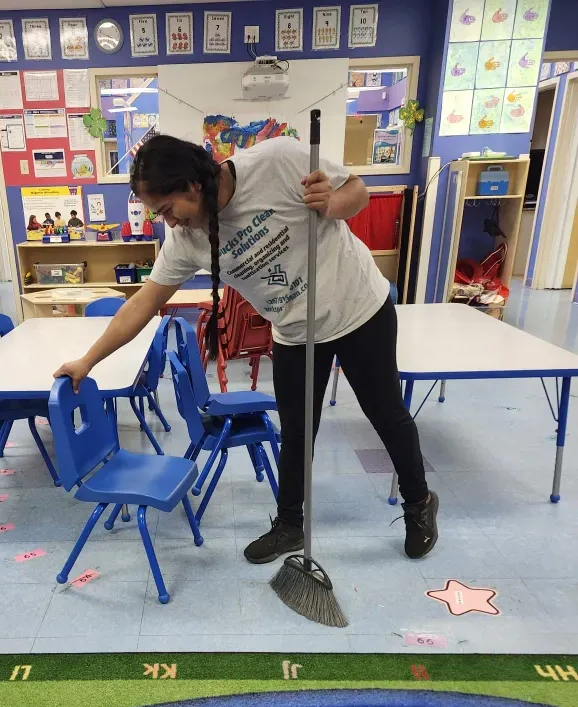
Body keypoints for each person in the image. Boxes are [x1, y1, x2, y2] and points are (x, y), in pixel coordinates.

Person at [54, 134, 438, 564]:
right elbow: (144, 302)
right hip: (294, 331)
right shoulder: (187, 241)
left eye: (167, 209)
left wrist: (330, 204)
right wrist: (87, 362)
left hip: (357, 309)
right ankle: (290, 525)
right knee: (296, 433)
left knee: (385, 415)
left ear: (192, 185)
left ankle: (419, 504)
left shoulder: (277, 160)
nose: (170, 222)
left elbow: (357, 192)